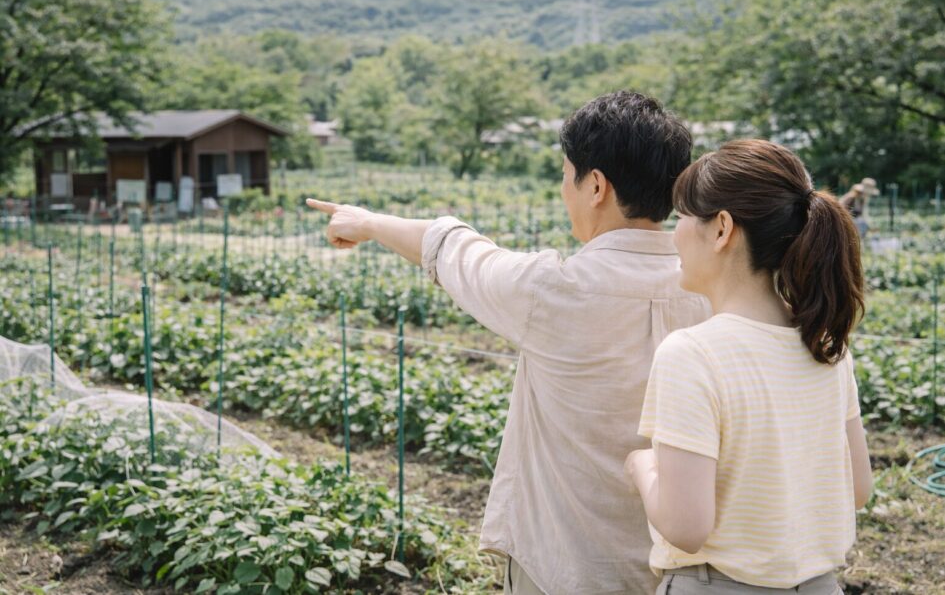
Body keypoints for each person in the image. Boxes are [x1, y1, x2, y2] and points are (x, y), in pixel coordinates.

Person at [307, 91, 710, 594]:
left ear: (596, 186)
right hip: (685, 574)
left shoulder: (553, 291)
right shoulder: (712, 291)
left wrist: (368, 222)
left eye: (566, 175)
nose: (563, 189)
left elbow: (452, 249)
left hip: (569, 570)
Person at [626, 139, 873, 594]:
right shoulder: (824, 346)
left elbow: (685, 526)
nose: (674, 234)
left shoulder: (692, 354)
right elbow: (857, 488)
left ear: (722, 228)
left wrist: (642, 466)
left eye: (681, 217)